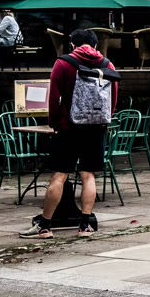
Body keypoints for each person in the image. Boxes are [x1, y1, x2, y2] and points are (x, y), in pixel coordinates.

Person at [26, 28, 120, 237]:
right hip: (95, 128)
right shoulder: (107, 65)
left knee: (59, 176)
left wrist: (55, 124)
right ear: (95, 45)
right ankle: (85, 226)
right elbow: (112, 99)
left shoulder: (63, 63)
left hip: (68, 128)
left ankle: (45, 226)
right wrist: (104, 120)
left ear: (72, 45)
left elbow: (54, 98)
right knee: (88, 176)